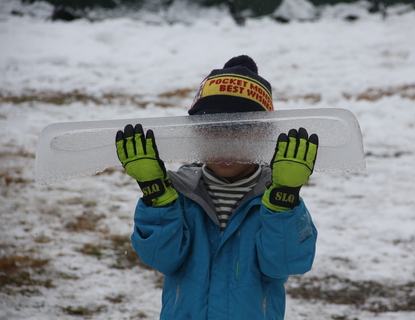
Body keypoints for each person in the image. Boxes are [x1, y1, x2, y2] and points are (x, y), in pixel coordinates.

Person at [115, 55, 318, 320]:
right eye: (213, 131)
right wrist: (156, 193)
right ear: (196, 133)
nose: (225, 144)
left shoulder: (274, 195)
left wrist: (284, 200)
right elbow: (161, 259)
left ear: (263, 136)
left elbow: (287, 263)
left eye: (239, 131)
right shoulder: (178, 193)